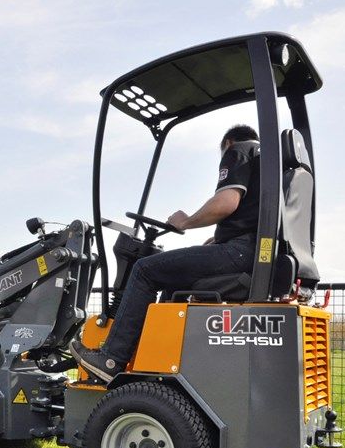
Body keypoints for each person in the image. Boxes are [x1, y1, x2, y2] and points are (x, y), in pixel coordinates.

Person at [70, 124, 262, 382]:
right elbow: (252, 215)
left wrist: (187, 221)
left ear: (227, 143)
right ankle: (155, 358)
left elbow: (226, 202)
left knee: (145, 269)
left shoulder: (239, 149)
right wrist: (216, 239)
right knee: (171, 281)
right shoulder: (268, 161)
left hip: (240, 252)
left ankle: (110, 359)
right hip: (252, 252)